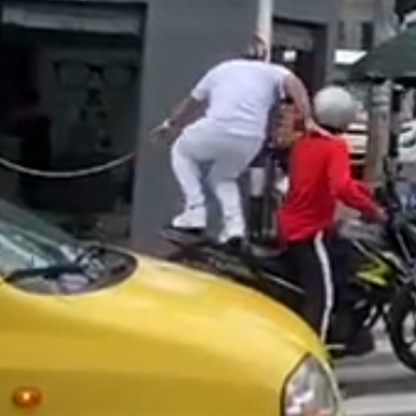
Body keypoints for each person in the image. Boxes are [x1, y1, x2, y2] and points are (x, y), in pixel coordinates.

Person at [152, 37, 320, 247]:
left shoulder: (221, 69)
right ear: (264, 55)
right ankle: (234, 229)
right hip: (250, 139)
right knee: (223, 178)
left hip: (218, 127)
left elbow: (191, 103)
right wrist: (307, 119)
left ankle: (195, 211)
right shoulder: (273, 71)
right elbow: (294, 84)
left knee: (181, 151)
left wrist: (170, 125)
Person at [277, 86, 386, 353]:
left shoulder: (305, 142)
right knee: (322, 300)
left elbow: (333, 183)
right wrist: (371, 210)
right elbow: (340, 188)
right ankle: (316, 358)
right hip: (307, 231)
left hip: (290, 224)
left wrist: (367, 191)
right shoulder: (334, 146)